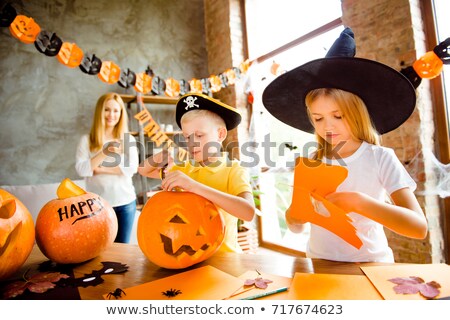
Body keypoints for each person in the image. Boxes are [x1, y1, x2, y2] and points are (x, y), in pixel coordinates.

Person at [262, 27, 428, 262]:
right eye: (318, 118)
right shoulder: (311, 161)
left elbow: (418, 227)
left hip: (371, 265)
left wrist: (359, 202)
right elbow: (297, 227)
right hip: (319, 264)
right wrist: (294, 217)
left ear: (356, 113)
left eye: (337, 116)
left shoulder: (380, 158)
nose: (327, 126)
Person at [138, 93, 255, 253]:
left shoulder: (233, 170)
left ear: (220, 134)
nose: (192, 143)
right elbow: (143, 170)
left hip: (226, 260)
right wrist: (162, 155)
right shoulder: (184, 168)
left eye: (199, 135)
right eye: (187, 137)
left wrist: (193, 186)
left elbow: (248, 212)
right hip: (190, 257)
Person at [75, 92, 139, 244]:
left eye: (116, 110)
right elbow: (82, 170)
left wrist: (97, 168)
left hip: (125, 203)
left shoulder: (127, 139)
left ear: (121, 114)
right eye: (107, 109)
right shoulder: (87, 140)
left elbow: (132, 169)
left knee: (122, 250)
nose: (111, 114)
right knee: (99, 249)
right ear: (100, 111)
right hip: (97, 205)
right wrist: (105, 152)